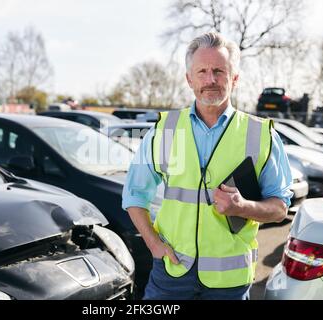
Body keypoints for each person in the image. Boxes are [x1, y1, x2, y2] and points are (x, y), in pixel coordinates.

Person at [122, 32, 293, 300]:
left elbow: (280, 208)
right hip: (171, 274)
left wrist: (243, 207)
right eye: (201, 71)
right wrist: (154, 245)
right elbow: (134, 194)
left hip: (229, 282)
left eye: (219, 71)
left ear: (234, 78)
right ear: (189, 79)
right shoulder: (164, 129)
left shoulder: (261, 135)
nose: (210, 79)